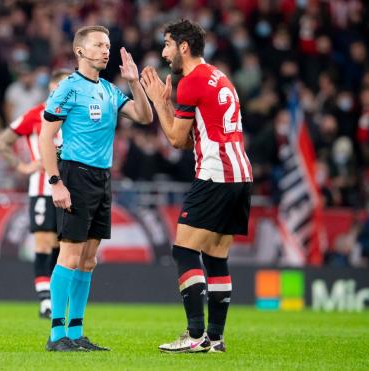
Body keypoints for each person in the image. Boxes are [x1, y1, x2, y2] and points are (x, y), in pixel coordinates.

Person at [139, 19, 253, 353]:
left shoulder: (190, 81)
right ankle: (215, 339)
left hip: (216, 173)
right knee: (216, 257)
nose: (165, 52)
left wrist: (160, 101)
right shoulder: (219, 77)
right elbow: (195, 136)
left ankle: (195, 335)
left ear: (183, 47)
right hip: (240, 174)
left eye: (167, 44)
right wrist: (171, 106)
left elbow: (176, 139)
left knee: (183, 250)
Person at [39, 25, 152, 352]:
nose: (106, 50)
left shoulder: (108, 89)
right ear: (80, 51)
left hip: (102, 178)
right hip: (75, 175)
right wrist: (55, 181)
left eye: (108, 45)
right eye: (99, 45)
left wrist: (133, 82)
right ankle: (57, 335)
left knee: (88, 260)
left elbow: (144, 116)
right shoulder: (67, 89)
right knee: (70, 254)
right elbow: (46, 136)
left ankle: (76, 333)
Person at [0, 69, 71, 319]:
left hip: (70, 187)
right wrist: (23, 166)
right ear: (51, 87)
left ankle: (56, 296)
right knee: (44, 242)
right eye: (59, 85)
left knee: (63, 245)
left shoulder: (77, 114)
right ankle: (45, 301)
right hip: (41, 188)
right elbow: (1, 142)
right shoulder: (35, 114)